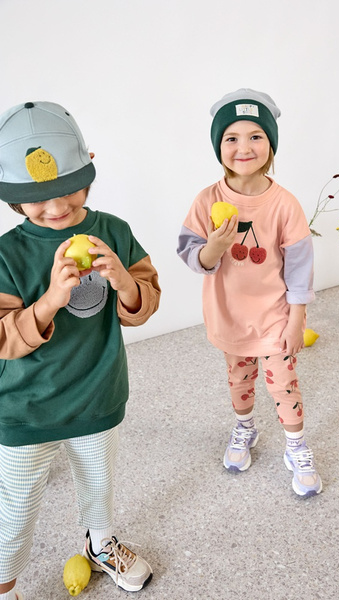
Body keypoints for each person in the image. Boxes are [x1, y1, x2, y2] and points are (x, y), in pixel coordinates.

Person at [0, 101, 161, 600]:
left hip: (98, 394)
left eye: (67, 188)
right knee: (16, 509)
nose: (55, 207)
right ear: (13, 197)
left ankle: (99, 542)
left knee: (98, 484)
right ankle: (5, 584)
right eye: (36, 198)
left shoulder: (114, 232)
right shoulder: (6, 255)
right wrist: (50, 300)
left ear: (89, 167)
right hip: (25, 409)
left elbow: (145, 302)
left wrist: (124, 281)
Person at [177, 88, 322, 498]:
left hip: (275, 314)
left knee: (283, 383)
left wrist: (297, 320)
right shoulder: (207, 200)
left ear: (271, 144)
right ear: (218, 146)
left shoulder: (285, 204)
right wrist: (215, 247)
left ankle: (296, 446)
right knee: (239, 378)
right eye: (232, 138)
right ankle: (245, 428)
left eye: (256, 136)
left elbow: (299, 268)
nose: (244, 147)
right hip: (229, 314)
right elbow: (191, 255)